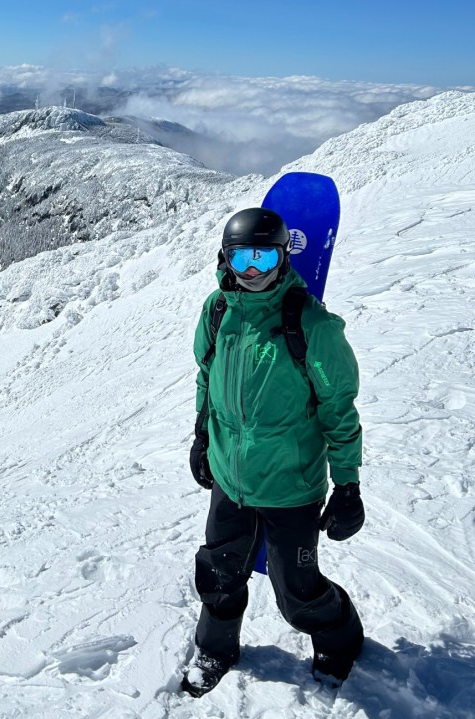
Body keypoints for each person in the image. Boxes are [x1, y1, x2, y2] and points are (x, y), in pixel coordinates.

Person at [182, 208, 365, 696]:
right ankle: (216, 648)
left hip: (290, 483)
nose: (253, 270)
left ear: (284, 258)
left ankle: (340, 638)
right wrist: (203, 436)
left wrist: (347, 484)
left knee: (297, 592)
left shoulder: (311, 325)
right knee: (219, 572)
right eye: (242, 256)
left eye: (264, 256)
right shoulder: (216, 310)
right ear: (226, 258)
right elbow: (206, 376)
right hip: (229, 476)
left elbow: (339, 409)